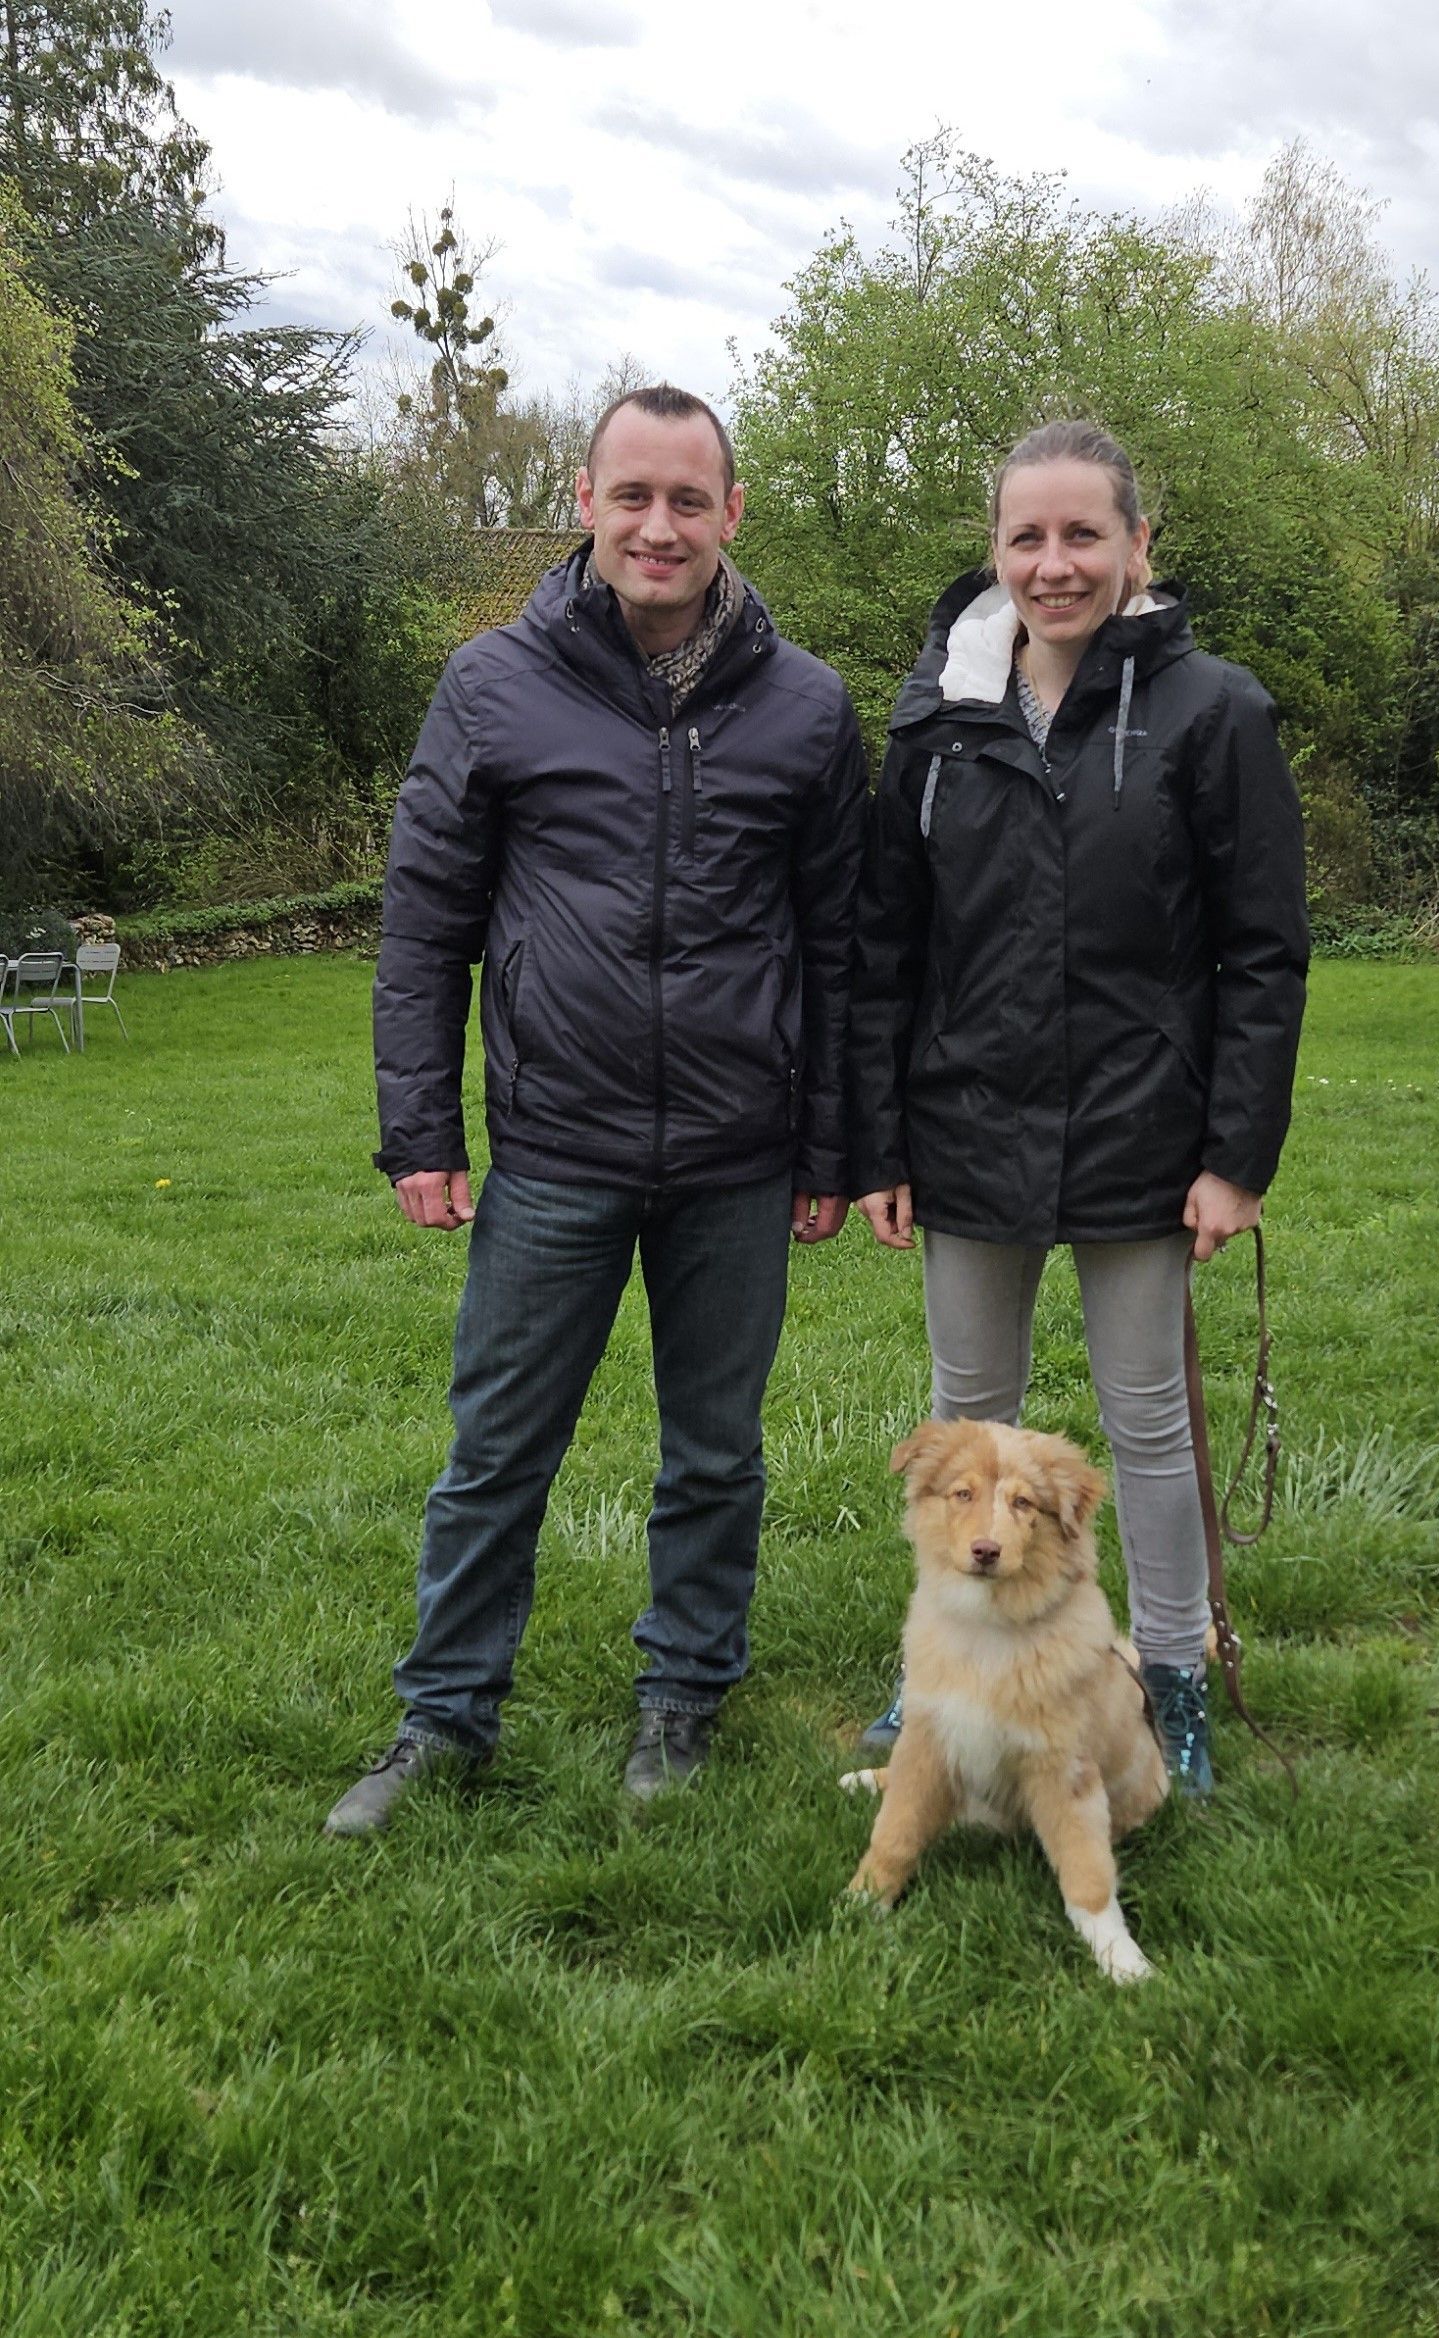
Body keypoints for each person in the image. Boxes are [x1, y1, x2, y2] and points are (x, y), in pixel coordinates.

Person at [325, 384, 866, 1835]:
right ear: (584, 500)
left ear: (732, 514)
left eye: (690, 499)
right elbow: (424, 924)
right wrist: (422, 1128)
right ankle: (446, 1713)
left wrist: (833, 1145)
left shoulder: (809, 706)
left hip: (740, 1160)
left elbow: (841, 946)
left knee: (715, 1451)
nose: (659, 525)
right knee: (498, 1446)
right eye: (633, 495)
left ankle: (684, 1695)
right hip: (555, 1149)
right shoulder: (490, 685)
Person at [848, 418, 1308, 1795]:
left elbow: (1263, 949)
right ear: (994, 551)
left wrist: (1236, 1154)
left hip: (1140, 1138)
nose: (1055, 565)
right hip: (968, 1127)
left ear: (1135, 547)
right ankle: (945, 1679)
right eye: (1027, 537)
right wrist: (880, 1138)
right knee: (965, 1425)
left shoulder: (1213, 712)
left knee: (1149, 1419)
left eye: (1082, 535)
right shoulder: (937, 720)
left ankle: (1167, 1675)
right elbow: (887, 945)